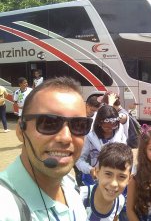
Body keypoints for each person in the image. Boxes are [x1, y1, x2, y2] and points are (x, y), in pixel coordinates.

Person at [0, 77, 93, 220]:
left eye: (79, 124)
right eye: (48, 123)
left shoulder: (69, 183)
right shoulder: (5, 206)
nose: (66, 137)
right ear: (20, 130)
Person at [80, 142, 133, 221]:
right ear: (97, 172)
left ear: (129, 179)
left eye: (122, 176)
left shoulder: (119, 201)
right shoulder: (80, 197)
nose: (113, 183)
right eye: (108, 174)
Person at [76, 104, 126, 180]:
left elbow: (125, 155)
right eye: (106, 127)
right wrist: (90, 169)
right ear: (99, 123)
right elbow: (79, 160)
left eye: (114, 126)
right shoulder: (89, 137)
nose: (110, 129)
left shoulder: (120, 132)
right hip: (95, 178)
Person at [74, 94, 102, 186]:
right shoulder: (78, 115)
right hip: (78, 144)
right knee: (77, 165)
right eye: (91, 110)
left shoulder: (97, 117)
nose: (92, 112)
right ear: (87, 105)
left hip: (90, 146)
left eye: (95, 111)